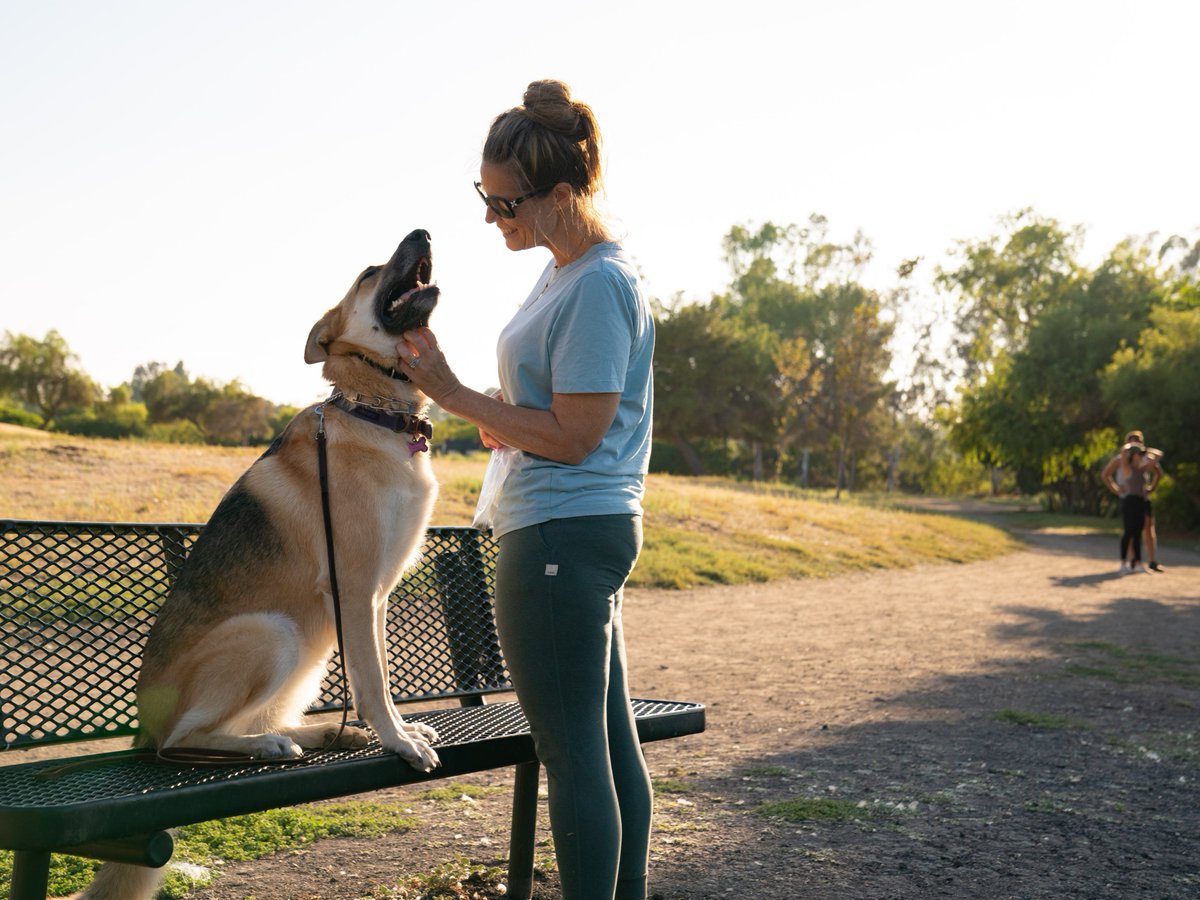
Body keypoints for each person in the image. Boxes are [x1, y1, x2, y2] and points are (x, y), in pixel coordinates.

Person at [398, 80, 656, 900]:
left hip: (559, 535)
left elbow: (579, 440)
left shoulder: (595, 285)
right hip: (575, 528)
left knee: (575, 754)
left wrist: (451, 391)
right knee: (608, 745)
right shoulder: (565, 272)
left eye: (504, 203)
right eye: (484, 196)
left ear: (562, 194)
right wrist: (506, 418)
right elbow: (564, 416)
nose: (489, 218)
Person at [1102, 434, 1153, 573]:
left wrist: (1143, 450)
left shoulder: (1142, 466)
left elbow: (1158, 458)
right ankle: (1124, 562)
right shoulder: (1125, 465)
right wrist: (1115, 489)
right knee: (1129, 531)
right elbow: (1106, 474)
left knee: (1137, 533)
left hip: (1140, 501)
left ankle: (1137, 563)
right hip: (1128, 500)